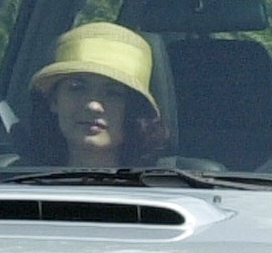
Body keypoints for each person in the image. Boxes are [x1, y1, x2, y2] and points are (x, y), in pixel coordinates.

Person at [16, 20, 171, 168]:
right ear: (54, 101)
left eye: (112, 93)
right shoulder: (15, 182)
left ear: (136, 110)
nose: (93, 106)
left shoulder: (167, 185)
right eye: (77, 88)